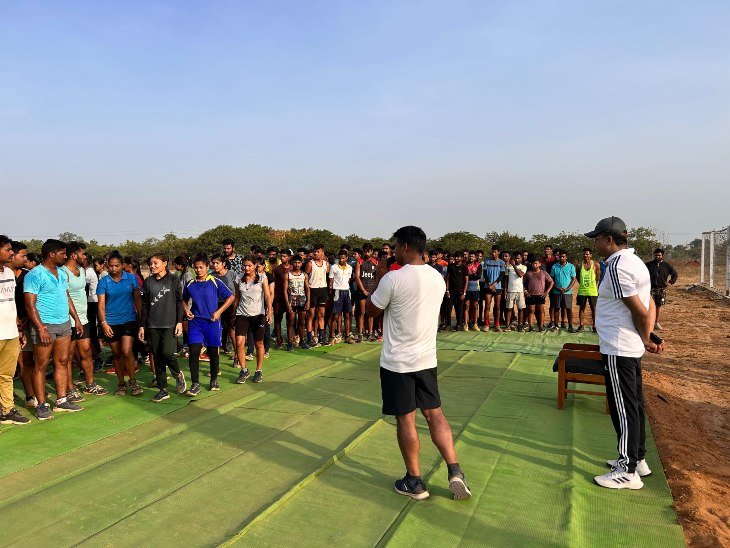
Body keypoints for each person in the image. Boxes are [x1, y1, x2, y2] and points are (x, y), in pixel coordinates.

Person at [365, 226, 471, 501]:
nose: (393, 251)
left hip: (398, 362)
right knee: (435, 413)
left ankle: (414, 480)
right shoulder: (437, 277)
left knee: (406, 418)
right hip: (426, 358)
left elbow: (371, 310)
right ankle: (455, 470)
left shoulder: (393, 278)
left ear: (405, 247)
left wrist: (379, 277)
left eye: (395, 246)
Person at [585, 216, 663, 490]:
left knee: (624, 408)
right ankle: (638, 459)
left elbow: (639, 310)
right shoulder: (635, 262)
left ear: (609, 239)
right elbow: (649, 302)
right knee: (634, 404)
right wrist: (647, 336)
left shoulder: (618, 266)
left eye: (596, 239)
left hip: (619, 347)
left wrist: (646, 336)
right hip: (628, 346)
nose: (594, 244)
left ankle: (627, 471)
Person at [24, 239, 85, 419]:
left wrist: (76, 319)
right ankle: (41, 404)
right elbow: (30, 305)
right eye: (62, 253)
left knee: (62, 361)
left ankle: (61, 400)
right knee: (41, 364)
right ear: (52, 254)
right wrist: (40, 328)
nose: (65, 256)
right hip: (45, 325)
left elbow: (66, 297)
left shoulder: (61, 273)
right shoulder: (35, 275)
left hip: (64, 323)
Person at [183, 254, 235, 394]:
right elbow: (183, 299)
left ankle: (213, 379)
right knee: (194, 351)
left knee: (213, 352)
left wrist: (219, 312)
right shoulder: (190, 284)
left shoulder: (215, 281)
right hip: (195, 323)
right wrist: (186, 310)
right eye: (196, 268)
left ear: (207, 267)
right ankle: (195, 384)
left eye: (201, 267)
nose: (198, 270)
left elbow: (231, 297)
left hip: (212, 322)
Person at [62, 242, 107, 398]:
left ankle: (90, 384)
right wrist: (75, 318)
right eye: (82, 254)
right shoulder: (62, 272)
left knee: (86, 352)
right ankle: (69, 388)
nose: (85, 256)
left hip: (83, 319)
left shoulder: (82, 270)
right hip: (68, 320)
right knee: (68, 356)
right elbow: (65, 297)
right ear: (74, 255)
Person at [140, 252, 187, 402]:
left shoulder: (173, 279)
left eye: (155, 263)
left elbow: (179, 302)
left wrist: (179, 321)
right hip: (152, 325)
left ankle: (177, 375)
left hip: (169, 324)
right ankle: (163, 389)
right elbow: (144, 305)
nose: (152, 266)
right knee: (157, 356)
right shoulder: (148, 282)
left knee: (167, 353)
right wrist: (142, 326)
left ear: (165, 263)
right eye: (151, 264)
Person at [97, 250, 143, 396]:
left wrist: (141, 320)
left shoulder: (131, 278)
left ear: (122, 265)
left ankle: (133, 381)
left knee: (126, 351)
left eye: (117, 265)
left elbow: (138, 300)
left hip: (129, 319)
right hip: (111, 322)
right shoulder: (103, 282)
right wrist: (104, 323)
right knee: (116, 354)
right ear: (107, 266)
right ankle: (121, 383)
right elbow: (101, 305)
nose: (114, 268)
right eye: (111, 266)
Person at [0, 236, 30, 425]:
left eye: (12, 250)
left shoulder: (10, 274)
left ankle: (7, 410)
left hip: (10, 333)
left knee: (7, 375)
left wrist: (18, 330)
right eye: (7, 249)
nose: (11, 253)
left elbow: (12, 305)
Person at [234, 255, 272, 384]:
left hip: (258, 314)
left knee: (259, 343)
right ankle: (244, 370)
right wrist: (234, 313)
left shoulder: (262, 278)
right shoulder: (239, 278)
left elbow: (267, 295)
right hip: (242, 314)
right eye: (244, 265)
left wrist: (269, 311)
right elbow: (237, 297)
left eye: (249, 265)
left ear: (255, 265)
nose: (246, 268)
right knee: (239, 342)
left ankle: (258, 370)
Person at [10, 240, 36, 407]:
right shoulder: (3, 274)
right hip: (7, 325)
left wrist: (26, 317)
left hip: (26, 325)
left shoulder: (28, 275)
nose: (26, 259)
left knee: (26, 361)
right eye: (23, 255)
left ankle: (30, 395)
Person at [211, 253, 238, 359]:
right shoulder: (211, 276)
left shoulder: (232, 274)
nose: (215, 265)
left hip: (231, 305)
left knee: (232, 329)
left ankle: (237, 355)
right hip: (216, 305)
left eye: (217, 263)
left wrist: (236, 306)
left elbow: (238, 290)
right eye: (213, 263)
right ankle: (215, 359)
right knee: (215, 330)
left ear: (223, 263)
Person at [645, 248, 678, 331]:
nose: (657, 257)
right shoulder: (648, 265)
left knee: (659, 305)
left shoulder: (666, 265)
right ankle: (648, 323)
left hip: (661, 289)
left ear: (662, 256)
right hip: (650, 289)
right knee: (649, 306)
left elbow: (675, 274)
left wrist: (670, 282)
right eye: (656, 255)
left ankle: (656, 323)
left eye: (659, 255)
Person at [283, 254, 310, 351]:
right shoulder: (287, 274)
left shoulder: (304, 275)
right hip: (291, 301)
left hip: (302, 300)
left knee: (301, 322)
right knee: (290, 322)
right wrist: (287, 304)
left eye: (299, 262)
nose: (297, 264)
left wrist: (308, 301)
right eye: (295, 262)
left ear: (302, 263)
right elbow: (284, 290)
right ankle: (290, 343)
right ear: (292, 263)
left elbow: (307, 289)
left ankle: (302, 341)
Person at [305, 244, 329, 347]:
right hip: (312, 289)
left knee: (321, 314)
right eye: (314, 251)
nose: (315, 253)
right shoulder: (310, 263)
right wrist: (307, 289)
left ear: (322, 252)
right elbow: (306, 276)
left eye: (318, 251)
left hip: (323, 289)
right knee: (311, 314)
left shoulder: (326, 264)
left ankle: (322, 337)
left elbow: (327, 275)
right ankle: (310, 337)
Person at [328, 249, 354, 344]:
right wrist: (331, 293)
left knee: (347, 314)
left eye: (343, 258)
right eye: (340, 258)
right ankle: (332, 336)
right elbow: (330, 281)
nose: (341, 260)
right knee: (335, 315)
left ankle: (347, 336)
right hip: (337, 291)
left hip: (347, 291)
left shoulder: (350, 268)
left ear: (347, 258)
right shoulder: (333, 267)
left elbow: (349, 280)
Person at [354, 243, 378, 341]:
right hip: (362, 290)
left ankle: (370, 333)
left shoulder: (375, 262)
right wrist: (363, 290)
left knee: (370, 313)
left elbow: (377, 277)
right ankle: (360, 334)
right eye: (365, 251)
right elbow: (357, 277)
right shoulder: (359, 262)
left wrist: (374, 289)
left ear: (371, 251)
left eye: (369, 251)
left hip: (372, 290)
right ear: (363, 251)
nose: (367, 253)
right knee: (362, 312)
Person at [549, 251, 577, 332]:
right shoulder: (554, 266)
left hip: (567, 292)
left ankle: (570, 326)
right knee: (557, 308)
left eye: (563, 257)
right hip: (556, 291)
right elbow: (551, 279)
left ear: (566, 257)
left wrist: (568, 288)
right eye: (560, 256)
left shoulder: (571, 266)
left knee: (568, 309)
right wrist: (557, 287)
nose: (561, 258)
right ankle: (556, 325)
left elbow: (573, 278)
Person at [524, 258, 554, 331]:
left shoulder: (544, 273)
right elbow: (521, 282)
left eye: (536, 263)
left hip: (541, 295)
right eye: (533, 264)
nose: (534, 265)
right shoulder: (528, 273)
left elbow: (551, 282)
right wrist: (525, 290)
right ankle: (530, 326)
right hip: (530, 295)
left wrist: (547, 291)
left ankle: (541, 326)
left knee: (540, 310)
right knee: (531, 310)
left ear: (540, 264)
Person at [576, 248, 601, 332]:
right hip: (582, 290)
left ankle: (594, 326)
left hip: (592, 290)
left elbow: (598, 277)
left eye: (587, 254)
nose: (585, 255)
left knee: (593, 308)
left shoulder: (596, 265)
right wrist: (583, 284)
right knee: (582, 308)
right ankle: (581, 325)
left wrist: (592, 285)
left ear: (591, 255)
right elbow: (578, 277)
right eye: (584, 254)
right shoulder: (579, 265)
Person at [272, 249, 292, 349]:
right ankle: (279, 340)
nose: (283, 258)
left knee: (290, 320)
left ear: (289, 257)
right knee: (277, 319)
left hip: (291, 298)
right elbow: (273, 284)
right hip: (279, 298)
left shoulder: (293, 268)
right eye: (281, 256)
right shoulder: (276, 269)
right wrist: (274, 297)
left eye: (285, 256)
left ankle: (290, 341)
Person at [482, 246, 506, 332]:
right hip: (488, 286)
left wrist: (494, 285)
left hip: (497, 287)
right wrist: (489, 284)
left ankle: (497, 324)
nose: (493, 253)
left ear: (499, 252)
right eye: (492, 252)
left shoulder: (502, 262)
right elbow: (485, 274)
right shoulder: (486, 261)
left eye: (495, 252)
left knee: (497, 307)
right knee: (487, 306)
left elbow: (502, 275)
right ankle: (486, 324)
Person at [85, 255, 102, 367]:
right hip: (92, 301)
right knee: (92, 328)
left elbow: (85, 288)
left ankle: (96, 354)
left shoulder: (88, 272)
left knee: (91, 328)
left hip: (92, 302)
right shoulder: (89, 271)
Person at [504, 252, 527, 332]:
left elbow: (520, 275)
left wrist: (514, 266)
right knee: (509, 309)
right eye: (515, 258)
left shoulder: (523, 267)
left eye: (518, 258)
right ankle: (507, 325)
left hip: (520, 291)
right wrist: (505, 290)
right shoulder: (508, 267)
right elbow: (506, 279)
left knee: (520, 309)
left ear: (521, 259)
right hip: (510, 291)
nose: (517, 260)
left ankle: (520, 325)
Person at [445, 253, 468, 331]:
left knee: (459, 309)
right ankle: (448, 325)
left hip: (460, 291)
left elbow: (466, 280)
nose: (456, 258)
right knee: (448, 308)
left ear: (461, 258)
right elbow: (448, 278)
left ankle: (459, 325)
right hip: (451, 291)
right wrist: (447, 290)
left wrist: (464, 293)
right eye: (456, 257)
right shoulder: (450, 266)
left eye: (458, 257)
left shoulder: (464, 267)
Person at [465, 251, 482, 331]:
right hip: (466, 288)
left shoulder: (478, 265)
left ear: (475, 258)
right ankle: (466, 324)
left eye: (473, 256)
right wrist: (473, 275)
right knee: (466, 306)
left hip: (475, 288)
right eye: (470, 256)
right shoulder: (465, 265)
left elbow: (478, 276)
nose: (471, 258)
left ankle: (475, 324)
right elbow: (464, 276)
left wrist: (468, 276)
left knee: (475, 306)